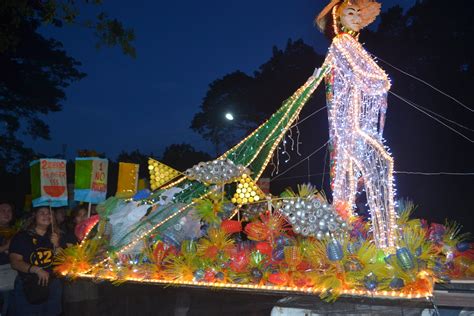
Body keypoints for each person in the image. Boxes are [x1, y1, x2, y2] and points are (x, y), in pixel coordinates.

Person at [315, 0, 398, 250]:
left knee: (344, 189)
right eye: (349, 13)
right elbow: (377, 79)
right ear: (337, 19)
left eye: (357, 14)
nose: (356, 17)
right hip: (350, 127)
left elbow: (371, 79)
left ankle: (339, 250)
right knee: (380, 166)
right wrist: (377, 80)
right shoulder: (342, 43)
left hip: (347, 130)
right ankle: (387, 246)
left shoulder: (349, 46)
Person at [9, 206, 64, 316]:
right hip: (29, 284)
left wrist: (57, 245)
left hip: (53, 284)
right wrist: (36, 270)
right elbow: (15, 262)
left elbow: (63, 262)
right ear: (34, 216)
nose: (46, 215)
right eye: (42, 213)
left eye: (49, 213)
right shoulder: (22, 236)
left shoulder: (55, 236)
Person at [0, 201, 15, 316]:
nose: (6, 213)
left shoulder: (15, 231)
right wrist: (6, 246)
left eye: (9, 211)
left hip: (14, 273)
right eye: (3, 211)